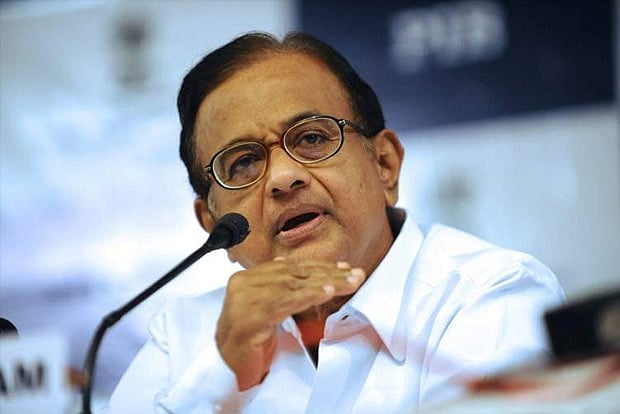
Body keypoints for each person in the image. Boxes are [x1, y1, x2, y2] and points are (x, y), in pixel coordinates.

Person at [106, 31, 564, 413]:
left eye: (311, 138)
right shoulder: (182, 336)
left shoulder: (489, 294)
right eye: (243, 163)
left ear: (384, 165)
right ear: (212, 224)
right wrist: (221, 374)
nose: (283, 178)